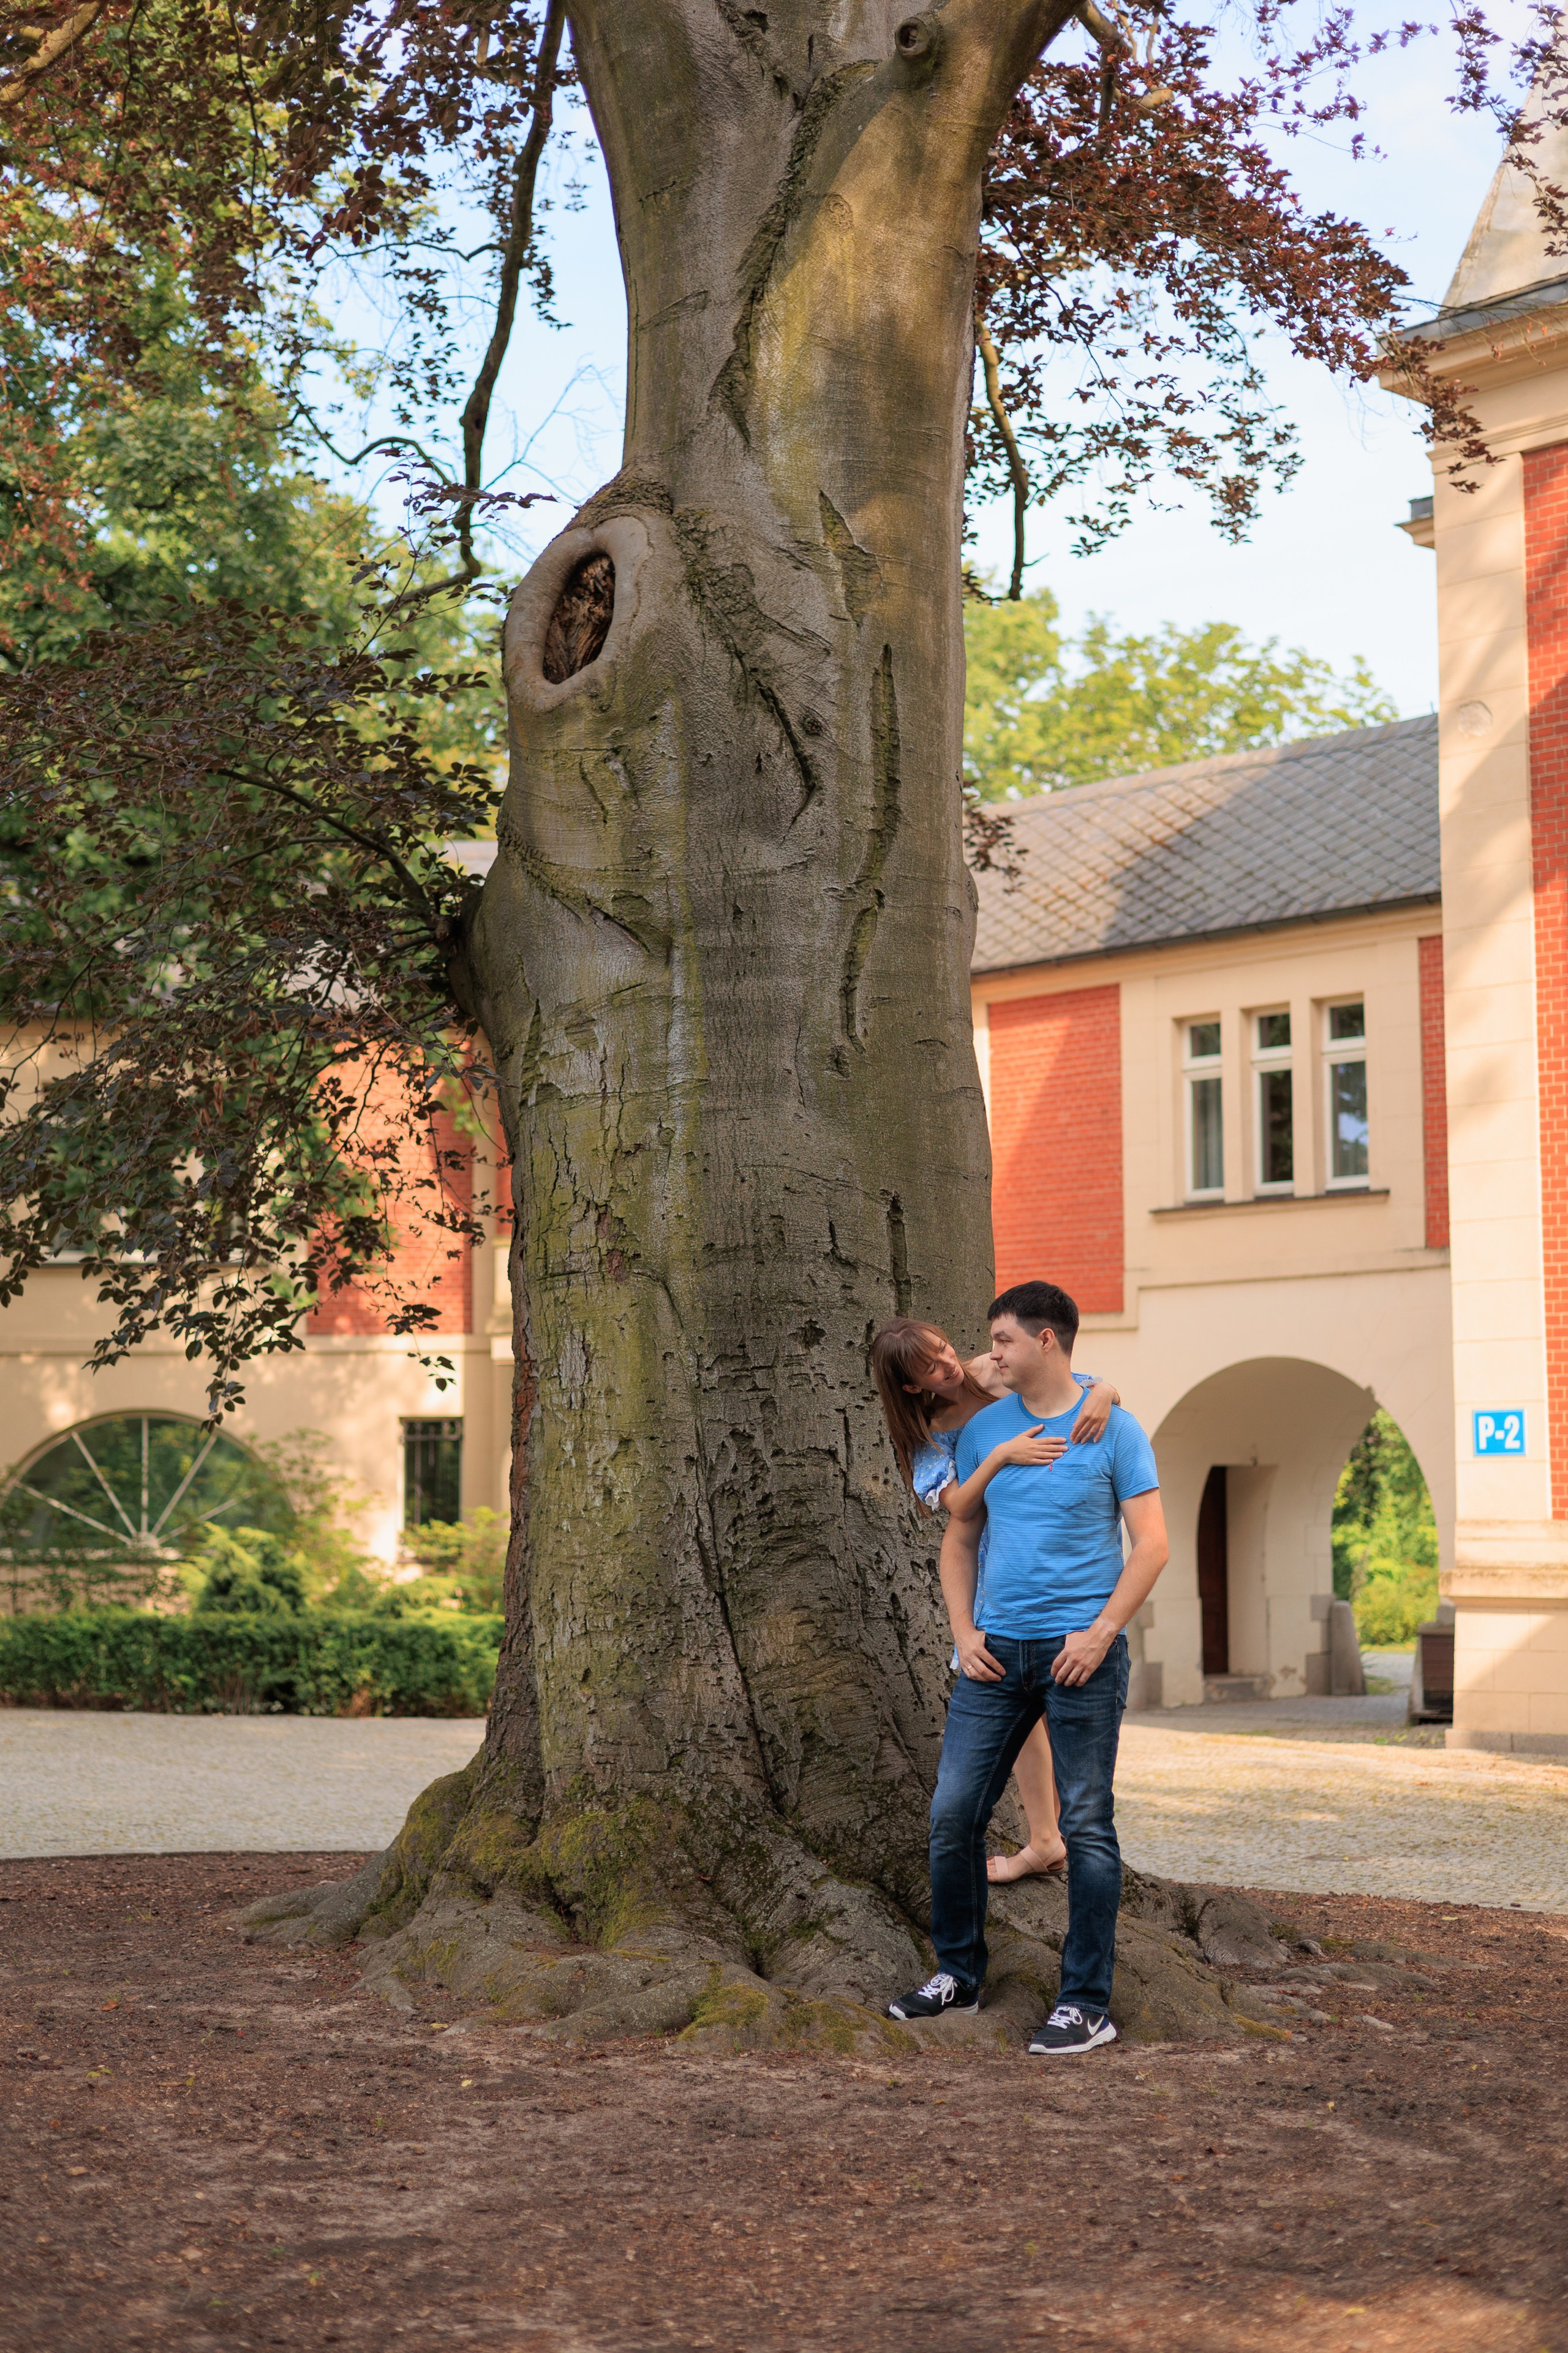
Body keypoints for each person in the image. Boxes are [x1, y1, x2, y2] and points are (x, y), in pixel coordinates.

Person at [886, 1280, 1168, 2055]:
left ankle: (1084, 2003)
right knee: (952, 1816)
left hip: (1080, 1656)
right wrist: (964, 1631)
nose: (988, 1356)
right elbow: (958, 1539)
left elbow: (1152, 1545)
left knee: (1087, 1826)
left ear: (1045, 1339)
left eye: (1002, 1340)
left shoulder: (1115, 1429)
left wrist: (1101, 1633)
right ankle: (958, 1974)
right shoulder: (981, 1431)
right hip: (994, 1657)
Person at [870, 1316, 1120, 1883]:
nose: (948, 1364)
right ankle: (1046, 1837)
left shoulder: (994, 1368)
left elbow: (1078, 1388)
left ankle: (1065, 1834)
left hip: (1047, 1538)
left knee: (1065, 1693)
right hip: (992, 1557)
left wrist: (1106, 1390)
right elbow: (959, 1505)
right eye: (930, 1367)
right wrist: (1002, 1453)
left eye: (943, 1349)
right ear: (911, 1385)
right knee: (1014, 1696)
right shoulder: (929, 1431)